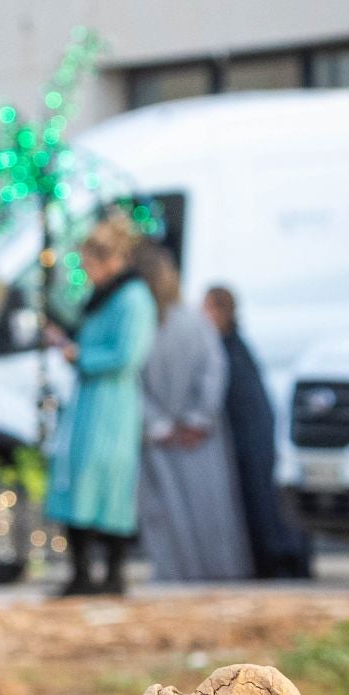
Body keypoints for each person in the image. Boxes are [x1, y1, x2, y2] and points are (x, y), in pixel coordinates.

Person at [44, 215, 158, 595]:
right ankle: (81, 573)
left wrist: (80, 356)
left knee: (108, 484)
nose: (86, 274)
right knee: (77, 478)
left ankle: (112, 574)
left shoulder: (134, 298)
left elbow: (127, 355)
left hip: (114, 403)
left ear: (109, 259)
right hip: (89, 400)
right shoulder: (104, 296)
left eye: (89, 265)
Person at [134, 246, 253, 584]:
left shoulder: (141, 326)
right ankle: (219, 573)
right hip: (198, 439)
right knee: (210, 510)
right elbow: (213, 371)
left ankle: (175, 575)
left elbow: (132, 381)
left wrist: (158, 423)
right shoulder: (196, 322)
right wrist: (197, 418)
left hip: (161, 439)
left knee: (167, 513)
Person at [204, 285, 313, 579]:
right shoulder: (233, 346)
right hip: (251, 436)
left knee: (262, 501)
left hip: (251, 439)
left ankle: (280, 560)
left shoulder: (229, 349)